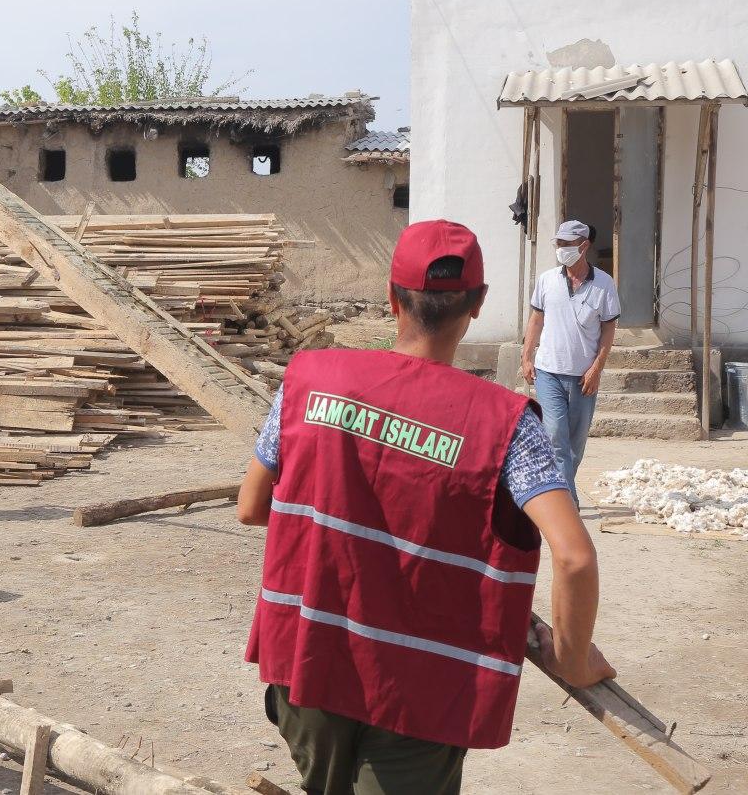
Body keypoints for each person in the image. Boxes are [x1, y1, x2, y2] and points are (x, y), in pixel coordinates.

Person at [238, 219, 615, 795]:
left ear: (391, 297)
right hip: (423, 684)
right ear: (479, 304)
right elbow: (575, 558)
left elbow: (252, 505)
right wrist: (573, 659)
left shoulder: (311, 381)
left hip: (311, 661)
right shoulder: (508, 425)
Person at [521, 220, 620, 506]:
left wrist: (596, 369)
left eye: (567, 244)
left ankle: (563, 488)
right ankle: (567, 505)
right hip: (548, 370)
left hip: (582, 377)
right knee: (555, 438)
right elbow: (536, 319)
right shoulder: (547, 280)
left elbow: (608, 329)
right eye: (559, 244)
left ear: (584, 246)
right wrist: (527, 356)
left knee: (574, 445)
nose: (561, 249)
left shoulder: (603, 284)